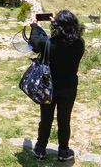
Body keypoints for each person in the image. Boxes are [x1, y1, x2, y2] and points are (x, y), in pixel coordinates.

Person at [28, 10, 85, 162]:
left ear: (57, 26)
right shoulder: (80, 43)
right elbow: (65, 38)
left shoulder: (48, 43)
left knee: (46, 119)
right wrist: (57, 23)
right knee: (64, 119)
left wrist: (35, 25)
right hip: (69, 87)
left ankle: (40, 149)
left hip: (49, 86)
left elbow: (34, 41)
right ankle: (64, 152)